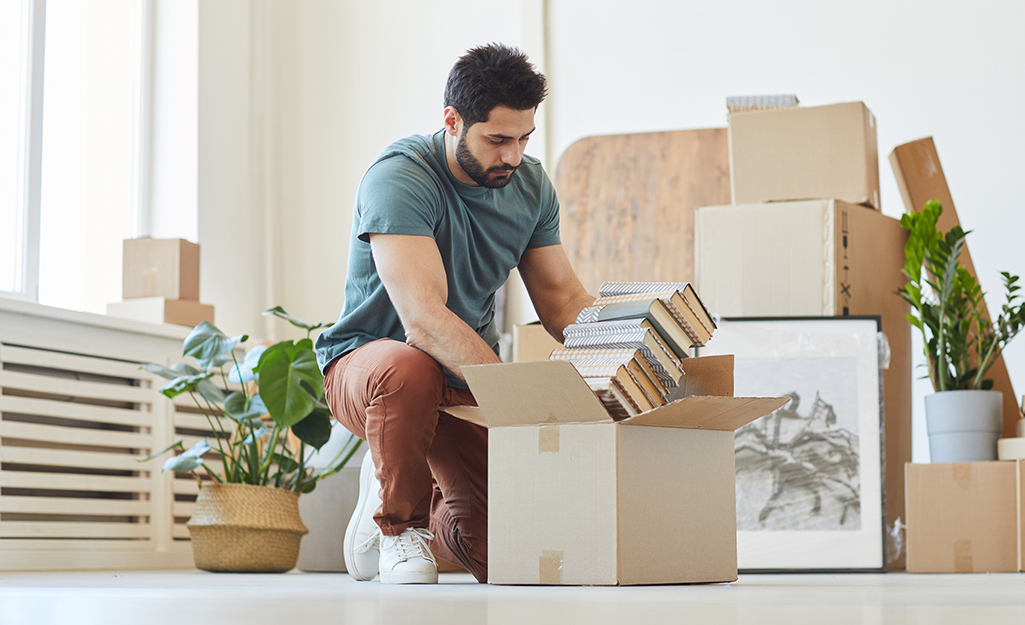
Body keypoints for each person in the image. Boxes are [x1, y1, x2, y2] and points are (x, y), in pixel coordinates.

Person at [315, 43, 593, 585]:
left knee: (505, 552)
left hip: (460, 382)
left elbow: (562, 301)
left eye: (523, 139)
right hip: (372, 372)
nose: (512, 156)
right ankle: (397, 525)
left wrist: (631, 347)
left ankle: (408, 480)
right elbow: (424, 319)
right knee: (408, 367)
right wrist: (517, 399)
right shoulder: (399, 177)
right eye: (497, 140)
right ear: (452, 121)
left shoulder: (530, 187)